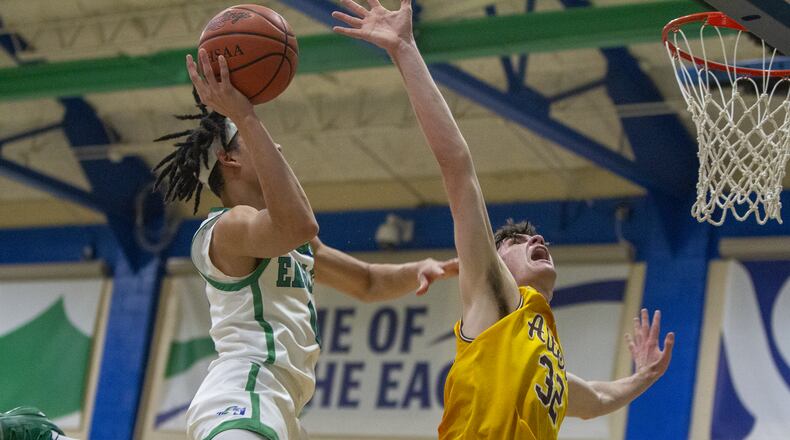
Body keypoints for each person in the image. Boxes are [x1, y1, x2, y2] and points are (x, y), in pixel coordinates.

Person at [331, 1, 675, 438]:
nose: (536, 238)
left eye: (533, 237)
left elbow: (596, 400)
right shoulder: (494, 297)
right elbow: (458, 167)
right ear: (491, 261)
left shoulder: (539, 346)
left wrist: (644, 376)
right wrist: (404, 49)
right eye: (515, 240)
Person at [153, 50, 458, 440]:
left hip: (281, 408)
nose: (277, 150)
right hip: (244, 396)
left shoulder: (289, 241)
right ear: (228, 159)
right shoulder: (228, 228)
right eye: (258, 141)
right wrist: (245, 115)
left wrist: (421, 268)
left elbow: (366, 282)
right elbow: (298, 223)